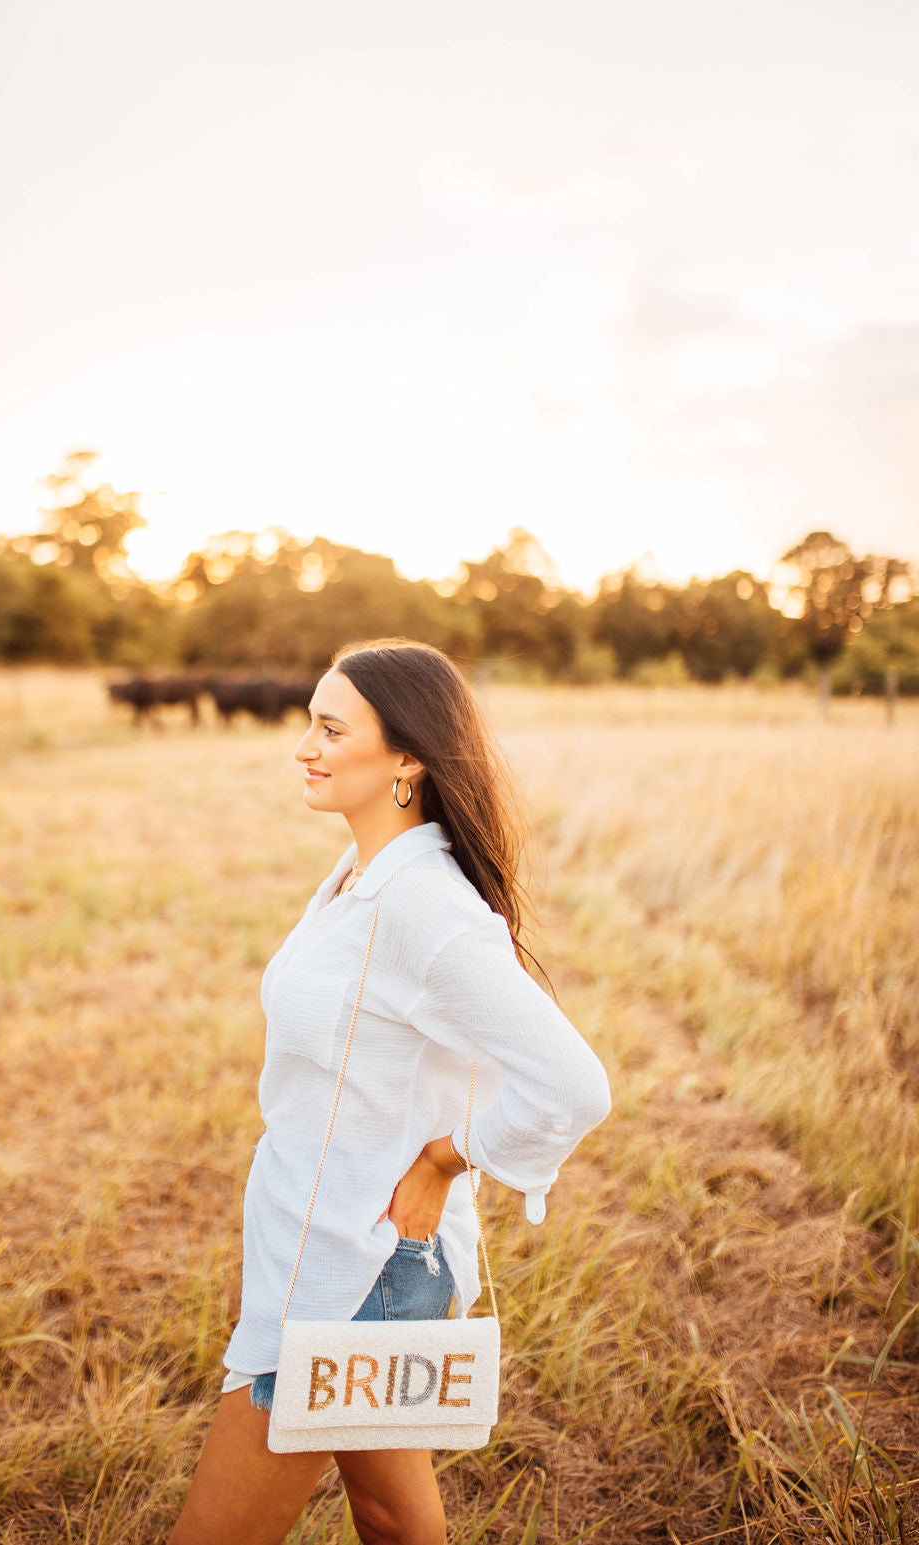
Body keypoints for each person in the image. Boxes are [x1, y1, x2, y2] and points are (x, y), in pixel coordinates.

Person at [168, 639, 611, 1545]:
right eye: (308, 723)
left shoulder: (422, 905)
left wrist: (449, 1157)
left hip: (356, 1275)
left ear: (407, 756)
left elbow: (573, 1083)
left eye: (331, 728)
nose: (304, 745)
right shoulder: (360, 878)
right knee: (393, 1520)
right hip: (336, 1250)